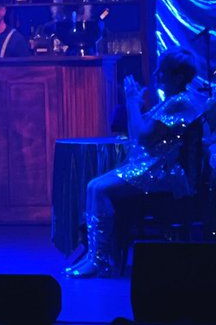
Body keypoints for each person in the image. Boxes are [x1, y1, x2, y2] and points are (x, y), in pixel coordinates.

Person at [65, 47, 212, 278]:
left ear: (179, 76)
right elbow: (138, 134)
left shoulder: (181, 102)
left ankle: (101, 259)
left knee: (99, 189)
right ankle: (96, 255)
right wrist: (136, 105)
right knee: (93, 186)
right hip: (153, 165)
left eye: (162, 71)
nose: (156, 75)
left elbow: (142, 136)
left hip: (165, 172)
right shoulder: (172, 101)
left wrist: (132, 102)